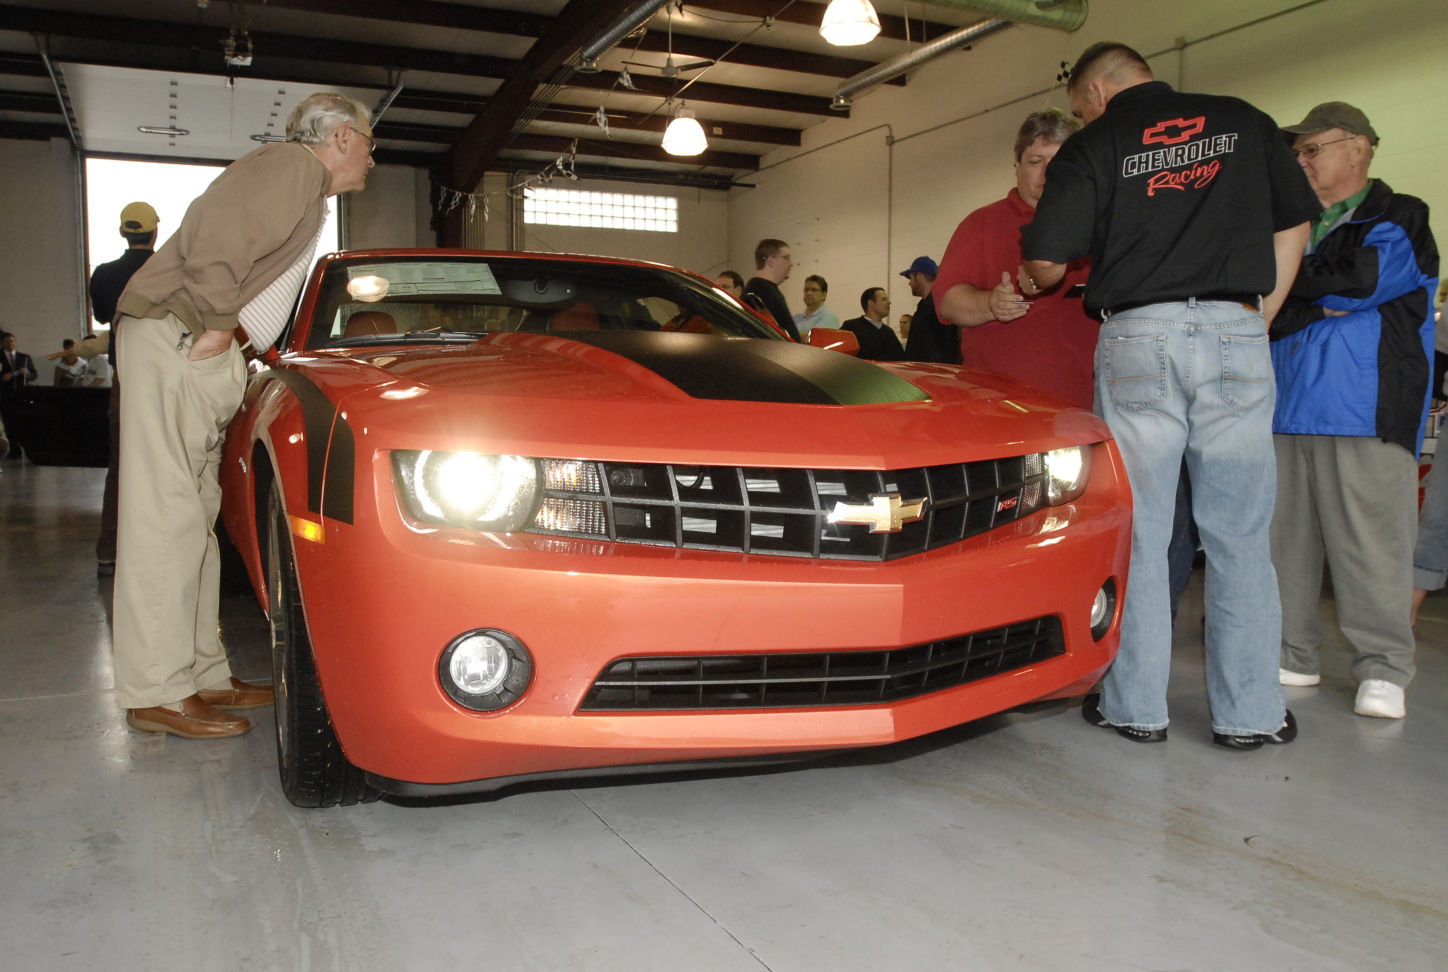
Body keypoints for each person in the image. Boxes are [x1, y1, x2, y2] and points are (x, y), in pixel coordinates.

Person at [1019, 42, 1320, 750]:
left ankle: (1135, 709)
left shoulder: (1097, 143)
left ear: (1095, 90)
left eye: (1077, 105)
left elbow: (1046, 262)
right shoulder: (1243, 120)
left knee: (1145, 532)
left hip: (1139, 336)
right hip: (1235, 327)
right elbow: (1296, 222)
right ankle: (1251, 715)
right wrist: (1256, 319)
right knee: (1240, 533)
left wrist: (1038, 277)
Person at [110, 92, 375, 740]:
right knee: (164, 519)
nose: (373, 156)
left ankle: (202, 675)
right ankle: (157, 690)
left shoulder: (307, 191)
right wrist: (216, 329)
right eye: (369, 141)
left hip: (194, 342)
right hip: (181, 337)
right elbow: (213, 232)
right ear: (340, 137)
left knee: (191, 519)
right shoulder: (290, 167)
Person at [1269, 102, 1439, 720]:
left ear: (1359, 149)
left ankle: (1385, 668)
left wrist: (1302, 292)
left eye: (1313, 149)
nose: (1302, 161)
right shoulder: (1291, 224)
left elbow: (1362, 281)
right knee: (1284, 543)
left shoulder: (1400, 215)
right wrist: (1315, 298)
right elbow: (1267, 303)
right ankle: (1293, 652)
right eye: (1299, 153)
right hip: (1285, 408)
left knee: (1372, 544)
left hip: (1365, 408)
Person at [935, 108, 1095, 406]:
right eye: (1036, 161)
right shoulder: (981, 224)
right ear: (1016, 162)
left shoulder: (1101, 224)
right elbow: (948, 302)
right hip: (1002, 411)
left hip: (1091, 407)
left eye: (1059, 161)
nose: (1048, 172)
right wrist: (990, 304)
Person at [89, 201, 159, 576]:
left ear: (123, 233)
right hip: (164, 378)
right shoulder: (171, 270)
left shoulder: (103, 274)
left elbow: (102, 316)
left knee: (121, 465)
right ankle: (159, 550)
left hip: (124, 378)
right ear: (155, 232)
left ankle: (110, 551)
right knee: (170, 463)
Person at [899, 256, 955, 363]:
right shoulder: (927, 307)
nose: (909, 283)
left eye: (910, 278)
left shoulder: (936, 308)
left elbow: (934, 350)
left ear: (919, 276)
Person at [743, 239, 800, 341]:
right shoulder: (764, 293)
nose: (791, 264)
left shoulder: (758, 290)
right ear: (770, 261)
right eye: (786, 258)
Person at [1, 330, 38, 458]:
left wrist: (27, 373)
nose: (10, 343)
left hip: (22, 395)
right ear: (2, 344)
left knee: (24, 422)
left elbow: (34, 375)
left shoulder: (24, 357)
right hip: (5, 395)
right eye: (6, 342)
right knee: (9, 423)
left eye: (11, 341)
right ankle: (14, 450)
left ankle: (28, 449)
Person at [841, 287, 904, 361]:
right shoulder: (851, 328)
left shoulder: (889, 332)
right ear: (870, 303)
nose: (889, 302)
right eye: (884, 299)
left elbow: (901, 360)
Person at [792, 274, 839, 340]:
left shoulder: (829, 318)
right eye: (806, 289)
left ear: (824, 295)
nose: (808, 293)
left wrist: (791, 333)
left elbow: (814, 339)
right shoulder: (795, 318)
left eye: (814, 290)